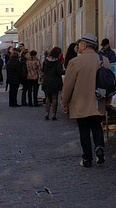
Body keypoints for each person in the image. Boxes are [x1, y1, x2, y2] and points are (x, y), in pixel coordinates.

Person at [61, 34, 109, 167]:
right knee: (97, 126)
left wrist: (64, 102)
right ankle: (99, 147)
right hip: (98, 101)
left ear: (84, 45)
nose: (78, 46)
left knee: (84, 131)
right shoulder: (104, 60)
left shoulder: (75, 62)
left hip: (80, 102)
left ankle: (87, 158)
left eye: (80, 43)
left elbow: (68, 85)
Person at [42, 47, 64, 120]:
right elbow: (59, 71)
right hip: (55, 81)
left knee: (48, 97)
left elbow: (43, 70)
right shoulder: (57, 62)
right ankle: (53, 114)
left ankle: (46, 113)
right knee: (54, 97)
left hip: (47, 80)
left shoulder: (45, 61)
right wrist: (65, 71)